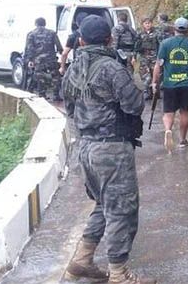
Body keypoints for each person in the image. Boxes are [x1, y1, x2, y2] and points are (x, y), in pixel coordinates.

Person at [61, 15, 155, 284]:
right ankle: (119, 274)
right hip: (112, 150)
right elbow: (134, 105)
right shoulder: (112, 69)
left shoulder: (72, 70)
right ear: (109, 39)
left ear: (81, 41)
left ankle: (82, 260)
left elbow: (69, 109)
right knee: (122, 209)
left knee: (104, 204)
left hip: (86, 148)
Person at [152, 17, 188, 152]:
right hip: (186, 84)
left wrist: (154, 82)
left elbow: (158, 64)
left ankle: (168, 130)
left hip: (169, 84)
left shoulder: (165, 43)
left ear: (174, 29)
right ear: (187, 30)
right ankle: (183, 140)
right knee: (184, 111)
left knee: (168, 112)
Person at [24, 17, 63, 100]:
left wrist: (30, 60)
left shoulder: (31, 34)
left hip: (38, 60)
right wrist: (61, 54)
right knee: (55, 77)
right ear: (45, 24)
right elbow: (59, 46)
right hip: (51, 59)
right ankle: (56, 95)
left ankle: (42, 95)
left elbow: (29, 48)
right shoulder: (52, 33)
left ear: (36, 24)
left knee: (40, 77)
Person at [134, 17, 159, 100]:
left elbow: (160, 44)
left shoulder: (157, 33)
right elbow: (136, 45)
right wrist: (134, 56)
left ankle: (155, 92)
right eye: (146, 23)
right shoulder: (140, 34)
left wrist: (160, 56)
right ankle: (146, 92)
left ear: (152, 24)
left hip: (154, 56)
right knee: (144, 74)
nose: (148, 25)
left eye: (149, 23)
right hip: (143, 56)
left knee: (155, 74)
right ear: (143, 25)